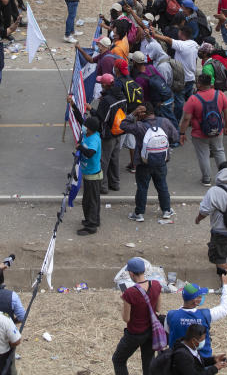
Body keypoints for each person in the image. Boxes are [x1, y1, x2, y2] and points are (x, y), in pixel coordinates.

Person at [119, 104, 178, 223]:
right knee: (162, 185)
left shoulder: (139, 126)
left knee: (142, 187)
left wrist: (133, 113)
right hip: (161, 161)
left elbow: (123, 125)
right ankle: (166, 210)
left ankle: (139, 213)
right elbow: (175, 138)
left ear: (143, 113)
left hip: (143, 162)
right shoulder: (165, 122)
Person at [111, 257, 161, 375]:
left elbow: (126, 318)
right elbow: (158, 309)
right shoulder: (156, 285)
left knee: (118, 360)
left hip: (135, 333)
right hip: (151, 331)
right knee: (148, 362)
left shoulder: (129, 293)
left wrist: (125, 301)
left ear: (131, 273)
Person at [180, 74, 227, 187]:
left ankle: (206, 179)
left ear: (199, 84)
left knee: (203, 155)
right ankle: (225, 177)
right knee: (219, 151)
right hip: (217, 130)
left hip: (199, 133)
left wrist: (182, 133)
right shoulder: (220, 95)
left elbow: (186, 119)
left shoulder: (193, 99)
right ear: (210, 84)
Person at [166, 272, 227, 359]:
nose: (202, 297)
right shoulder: (205, 315)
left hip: (177, 362)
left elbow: (168, 332)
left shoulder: (171, 315)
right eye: (200, 296)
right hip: (202, 362)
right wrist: (226, 285)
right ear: (196, 301)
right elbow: (224, 309)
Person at [66, 98, 103, 236]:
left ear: (91, 129)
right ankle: (94, 220)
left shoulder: (94, 139)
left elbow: (90, 152)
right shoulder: (88, 132)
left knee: (89, 201)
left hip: (93, 175)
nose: (83, 126)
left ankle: (91, 226)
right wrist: (73, 104)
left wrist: (80, 146)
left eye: (86, 126)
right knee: (93, 200)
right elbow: (79, 119)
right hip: (88, 173)